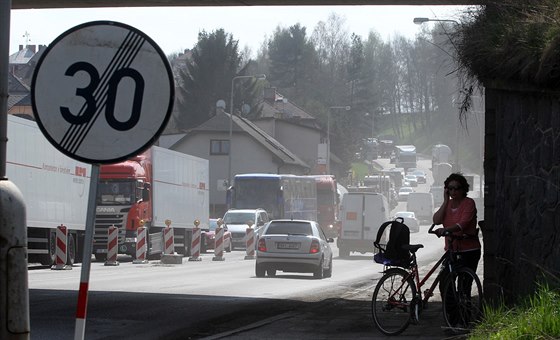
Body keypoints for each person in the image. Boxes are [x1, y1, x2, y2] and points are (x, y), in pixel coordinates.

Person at [432, 172, 481, 273]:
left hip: (469, 250)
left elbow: (462, 225)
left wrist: (445, 230)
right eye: (450, 188)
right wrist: (445, 202)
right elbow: (436, 220)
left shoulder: (469, 203)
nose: (453, 191)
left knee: (464, 284)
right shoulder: (447, 204)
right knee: (445, 283)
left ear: (463, 189)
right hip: (452, 250)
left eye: (456, 188)